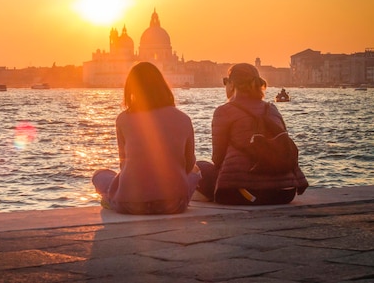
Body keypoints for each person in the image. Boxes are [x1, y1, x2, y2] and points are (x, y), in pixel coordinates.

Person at [92, 62, 201, 215]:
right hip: (174, 204)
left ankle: (108, 197)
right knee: (197, 171)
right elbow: (189, 164)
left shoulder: (123, 119)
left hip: (129, 204)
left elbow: (124, 164)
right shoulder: (184, 119)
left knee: (99, 175)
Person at [196, 63, 308, 205]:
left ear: (231, 84)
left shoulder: (224, 111)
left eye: (225, 82)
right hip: (285, 193)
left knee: (198, 167)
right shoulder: (272, 109)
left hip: (247, 194)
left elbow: (218, 158)